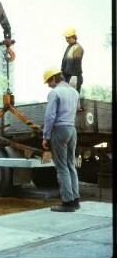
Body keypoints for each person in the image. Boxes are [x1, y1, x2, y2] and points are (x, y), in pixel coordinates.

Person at [42, 67, 81, 212]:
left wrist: (46, 136)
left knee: (62, 167)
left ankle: (67, 202)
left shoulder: (55, 93)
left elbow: (50, 116)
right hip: (72, 129)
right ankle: (75, 200)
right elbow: (76, 110)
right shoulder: (75, 92)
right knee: (71, 164)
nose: (48, 85)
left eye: (48, 82)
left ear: (54, 78)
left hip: (59, 130)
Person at [61, 27, 84, 94]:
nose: (67, 39)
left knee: (73, 98)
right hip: (67, 77)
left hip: (74, 77)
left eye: (68, 37)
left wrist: (72, 79)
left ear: (74, 37)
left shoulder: (78, 48)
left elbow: (76, 65)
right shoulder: (69, 47)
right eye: (66, 37)